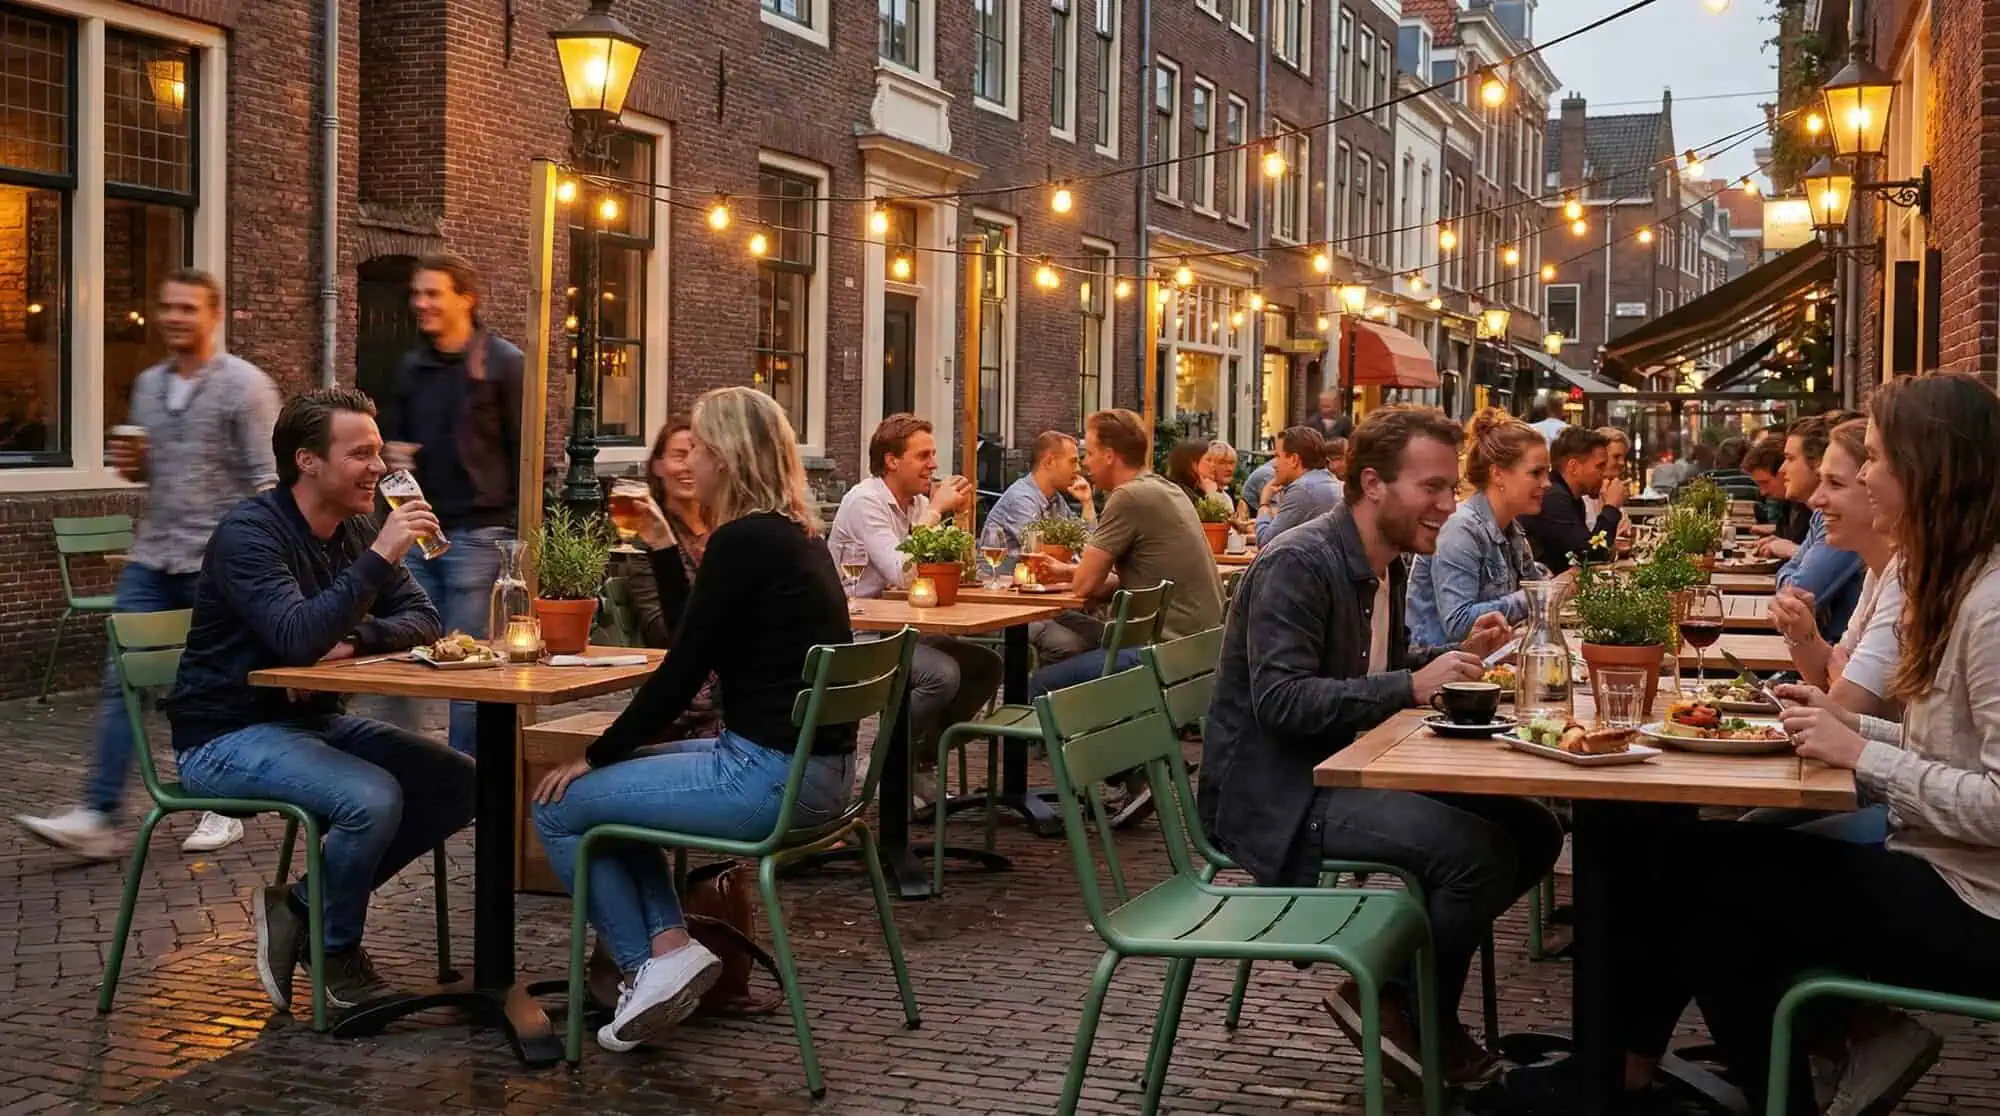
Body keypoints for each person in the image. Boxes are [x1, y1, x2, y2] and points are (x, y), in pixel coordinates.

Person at [1559, 374, 2000, 1116]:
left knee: (1709, 889)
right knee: (1694, 865)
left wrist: (1861, 752)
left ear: (1929, 472)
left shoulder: (1987, 607)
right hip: (1936, 862)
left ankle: (1776, 1083)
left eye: (1877, 460)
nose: (1860, 477)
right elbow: (1940, 750)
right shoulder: (1955, 583)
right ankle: (1713, 1074)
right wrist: (1851, 728)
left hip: (1977, 906)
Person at [1198, 405, 1559, 1089]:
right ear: (1372, 484)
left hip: (1353, 764)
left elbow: (1372, 669)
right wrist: (1411, 683)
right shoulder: (1299, 564)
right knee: (1473, 855)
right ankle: (1421, 1017)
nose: (1447, 505)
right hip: (1282, 790)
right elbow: (1282, 703)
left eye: (1451, 488)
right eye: (1432, 488)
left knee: (1534, 830)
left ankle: (1389, 996)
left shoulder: (1386, 559)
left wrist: (1452, 654)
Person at [531, 386, 856, 1053]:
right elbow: (695, 640)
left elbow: (679, 676)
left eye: (702, 448)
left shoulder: (744, 540)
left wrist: (594, 754)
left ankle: (646, 961)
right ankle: (669, 949)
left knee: (559, 807)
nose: (691, 463)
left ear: (730, 457)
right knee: (613, 795)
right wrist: (659, 544)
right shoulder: (794, 536)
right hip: (817, 776)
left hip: (766, 778)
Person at [166, 388, 476, 1011]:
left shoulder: (356, 526)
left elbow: (425, 617)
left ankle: (301, 908)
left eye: (379, 452)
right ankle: (335, 951)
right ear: (308, 461)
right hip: (224, 735)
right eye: (361, 454)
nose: (381, 469)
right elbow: (296, 637)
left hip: (311, 723)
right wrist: (384, 552)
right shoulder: (250, 534)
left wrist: (354, 638)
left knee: (462, 781)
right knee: (371, 797)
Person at [15, 269, 280, 860]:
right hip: (153, 556)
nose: (174, 318)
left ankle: (221, 806)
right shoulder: (147, 386)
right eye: (167, 307)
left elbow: (269, 481)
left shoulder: (247, 388)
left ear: (213, 314)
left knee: (215, 684)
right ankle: (101, 817)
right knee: (122, 680)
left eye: (187, 308)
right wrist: (134, 465)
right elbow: (147, 475)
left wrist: (256, 562)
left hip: (215, 564)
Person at [381, 254, 524, 756]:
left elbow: (528, 452)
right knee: (405, 655)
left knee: (468, 664)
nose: (420, 303)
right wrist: (392, 453)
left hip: (480, 535)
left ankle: (468, 776)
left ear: (466, 297)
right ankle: (407, 761)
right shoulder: (411, 367)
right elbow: (391, 442)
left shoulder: (502, 363)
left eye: (432, 293)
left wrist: (522, 535)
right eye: (416, 293)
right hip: (421, 531)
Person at [828, 415, 1002, 802]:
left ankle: (913, 760)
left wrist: (955, 517)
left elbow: (952, 571)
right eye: (924, 455)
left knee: (986, 666)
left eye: (933, 454)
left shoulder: (916, 503)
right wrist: (935, 514)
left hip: (901, 629)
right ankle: (885, 764)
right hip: (857, 633)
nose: (934, 464)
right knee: (940, 674)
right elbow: (905, 574)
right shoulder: (866, 502)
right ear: (891, 460)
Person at [1743, 418, 1895, 845]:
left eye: (1835, 483)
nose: (1816, 499)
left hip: (1898, 813)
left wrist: (1836, 684)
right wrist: (1807, 640)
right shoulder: (1877, 574)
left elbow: (1840, 703)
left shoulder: (1908, 580)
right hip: (1881, 790)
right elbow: (1830, 690)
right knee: (1745, 830)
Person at [1031, 408, 1226, 694]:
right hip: (1200, 646)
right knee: (1075, 633)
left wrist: (1075, 574)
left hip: (1166, 653)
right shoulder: (1166, 489)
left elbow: (1084, 586)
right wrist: (1067, 570)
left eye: (1089, 453)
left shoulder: (1128, 497)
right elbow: (1134, 580)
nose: (1085, 464)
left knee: (1040, 684)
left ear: (1109, 456)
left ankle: (1085, 737)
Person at [1407, 409, 1557, 647]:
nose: (1547, 484)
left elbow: (1541, 592)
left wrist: (1550, 588)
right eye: (1536, 473)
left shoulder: (1512, 531)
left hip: (1485, 667)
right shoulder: (1460, 529)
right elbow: (1458, 624)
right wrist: (1537, 594)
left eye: (1547, 473)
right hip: (1444, 674)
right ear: (1497, 474)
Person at [616, 420, 722, 743]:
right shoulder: (647, 539)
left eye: (695, 454)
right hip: (687, 696)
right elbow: (661, 630)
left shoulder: (727, 529)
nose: (688, 465)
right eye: (679, 455)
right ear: (658, 466)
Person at [978, 430, 1105, 664]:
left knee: (1102, 635)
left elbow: (1087, 548)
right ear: (1049, 461)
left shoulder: (1055, 501)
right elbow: (1040, 557)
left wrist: (1087, 504)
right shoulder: (1022, 499)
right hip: (1007, 606)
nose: (1079, 469)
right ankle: (1039, 696)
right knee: (1070, 646)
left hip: (1041, 600)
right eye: (1073, 461)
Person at [1773, 411, 1867, 643]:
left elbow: (1796, 592)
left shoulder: (1846, 523)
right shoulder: (1822, 518)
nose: (1781, 469)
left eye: (1790, 458)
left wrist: (1792, 568)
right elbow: (1791, 593)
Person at [1517, 426, 1623, 573]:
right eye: (1600, 466)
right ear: (1573, 467)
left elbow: (1587, 548)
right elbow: (1591, 556)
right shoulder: (1554, 498)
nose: (1604, 473)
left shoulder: (1573, 499)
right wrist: (1611, 507)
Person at [1253, 426, 1342, 546]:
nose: (1274, 465)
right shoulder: (1330, 480)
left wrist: (1264, 505)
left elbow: (1265, 543)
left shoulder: (1302, 490)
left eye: (1278, 456)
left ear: (1294, 460)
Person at [1746, 435, 1810, 547]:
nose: (1763, 492)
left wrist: (1788, 548)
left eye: (1765, 482)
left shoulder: (1811, 507)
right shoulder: (1789, 504)